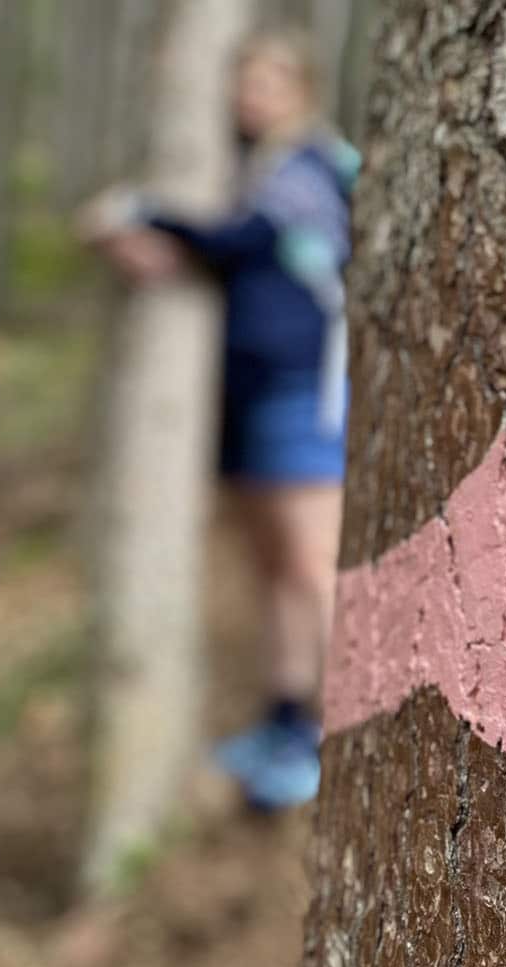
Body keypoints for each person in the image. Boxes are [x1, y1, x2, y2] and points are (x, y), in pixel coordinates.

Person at [82, 30, 358, 810]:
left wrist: (140, 209)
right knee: (273, 566)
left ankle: (347, 729)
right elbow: (227, 257)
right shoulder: (246, 171)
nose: (253, 98)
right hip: (246, 395)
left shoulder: (309, 169)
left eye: (271, 83)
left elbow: (240, 241)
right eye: (245, 83)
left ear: (304, 89)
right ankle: (283, 723)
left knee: (311, 560)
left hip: (303, 387)